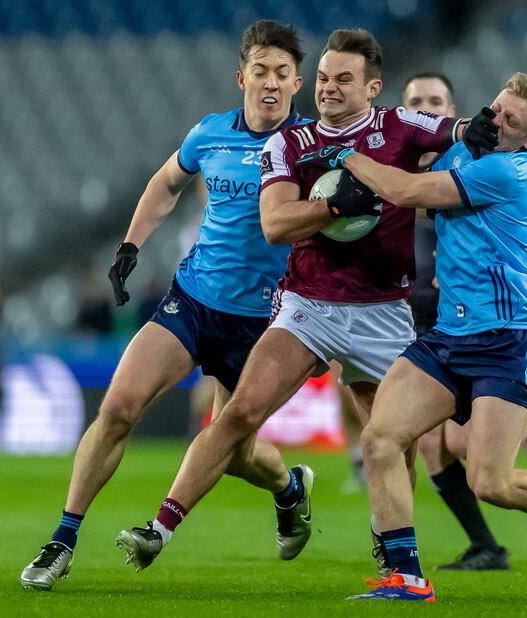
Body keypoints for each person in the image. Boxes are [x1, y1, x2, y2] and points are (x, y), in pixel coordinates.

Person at [115, 28, 499, 571]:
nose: (329, 89)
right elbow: (275, 224)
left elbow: (452, 129)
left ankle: (392, 553)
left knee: (392, 437)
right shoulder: (290, 144)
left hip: (383, 312)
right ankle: (159, 528)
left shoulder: (397, 125)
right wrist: (335, 208)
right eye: (322, 78)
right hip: (306, 304)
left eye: (344, 79)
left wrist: (476, 128)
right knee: (240, 411)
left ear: (373, 87)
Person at [307, 72, 527, 601]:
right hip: (448, 334)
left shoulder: (510, 170)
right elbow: (411, 183)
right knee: (382, 437)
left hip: (504, 340)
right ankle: (406, 576)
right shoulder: (467, 153)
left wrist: (344, 153)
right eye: (495, 109)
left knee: (491, 483)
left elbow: (406, 191)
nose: (496, 122)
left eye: (511, 121)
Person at [20, 20, 313, 591]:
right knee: (119, 408)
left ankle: (290, 489)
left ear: (297, 83)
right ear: (242, 78)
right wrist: (131, 244)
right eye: (261, 72)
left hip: (263, 323)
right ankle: (61, 540)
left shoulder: (313, 147)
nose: (271, 83)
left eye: (282, 73)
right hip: (194, 301)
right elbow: (165, 183)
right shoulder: (210, 134)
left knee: (234, 450)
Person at [401, 72, 527, 572]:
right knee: (422, 440)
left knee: (466, 450)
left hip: (482, 322)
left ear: (453, 111)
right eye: (416, 102)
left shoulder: (486, 160)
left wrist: (484, 259)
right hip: (420, 316)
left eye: (436, 101)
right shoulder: (422, 153)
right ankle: (480, 544)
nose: (426, 106)